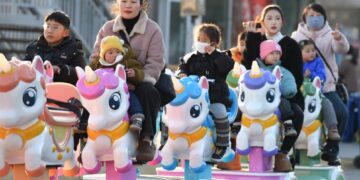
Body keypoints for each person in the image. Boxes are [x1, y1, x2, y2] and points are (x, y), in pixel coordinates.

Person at [90, 0, 165, 163]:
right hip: (110, 81)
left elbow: (156, 62)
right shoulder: (107, 28)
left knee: (148, 91)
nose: (128, 5)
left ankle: (146, 139)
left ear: (142, 4)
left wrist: (137, 76)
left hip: (138, 81)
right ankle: (85, 136)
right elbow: (95, 57)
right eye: (124, 1)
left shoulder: (153, 30)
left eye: (133, 1)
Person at [242, 4, 304, 172]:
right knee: (237, 111)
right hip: (256, 94)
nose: (273, 22)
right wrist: (250, 37)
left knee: (297, 113)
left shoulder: (290, 44)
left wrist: (283, 88)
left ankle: (283, 153)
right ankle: (232, 151)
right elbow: (248, 67)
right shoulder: (257, 39)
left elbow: (297, 76)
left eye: (277, 18)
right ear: (262, 21)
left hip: (284, 93)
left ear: (283, 22)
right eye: (269, 18)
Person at [291, 3, 350, 165]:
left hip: (326, 88)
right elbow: (290, 58)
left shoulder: (330, 34)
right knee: (292, 114)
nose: (315, 19)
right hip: (301, 89)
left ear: (324, 18)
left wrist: (339, 38)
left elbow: (342, 49)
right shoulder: (296, 36)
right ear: (305, 18)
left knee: (342, 114)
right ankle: (291, 150)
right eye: (311, 15)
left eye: (318, 16)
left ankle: (331, 149)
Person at [178, 23, 234, 162]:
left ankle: (222, 145)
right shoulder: (190, 57)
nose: (200, 43)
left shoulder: (220, 56)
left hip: (214, 97)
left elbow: (228, 66)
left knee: (220, 113)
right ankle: (170, 141)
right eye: (198, 39)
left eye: (204, 40)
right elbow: (182, 68)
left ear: (213, 43)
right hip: (193, 98)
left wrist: (214, 53)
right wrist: (182, 74)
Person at [90, 35, 145, 134]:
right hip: (103, 92)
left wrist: (134, 73)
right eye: (110, 52)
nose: (114, 55)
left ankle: (137, 117)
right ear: (103, 55)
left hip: (123, 90)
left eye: (118, 52)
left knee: (131, 97)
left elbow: (140, 72)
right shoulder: (97, 64)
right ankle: (85, 121)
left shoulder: (128, 62)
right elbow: (89, 73)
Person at [24, 11, 85, 85]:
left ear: (66, 33)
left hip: (61, 92)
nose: (50, 30)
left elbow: (80, 74)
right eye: (47, 26)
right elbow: (24, 67)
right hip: (36, 90)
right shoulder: (33, 48)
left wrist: (60, 69)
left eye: (55, 27)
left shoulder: (74, 49)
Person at [299, 39, 341, 141]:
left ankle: (332, 127)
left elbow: (322, 76)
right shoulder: (298, 62)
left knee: (327, 103)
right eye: (307, 51)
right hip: (301, 92)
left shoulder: (318, 62)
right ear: (300, 52)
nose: (312, 53)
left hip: (315, 92)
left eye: (313, 50)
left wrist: (311, 75)